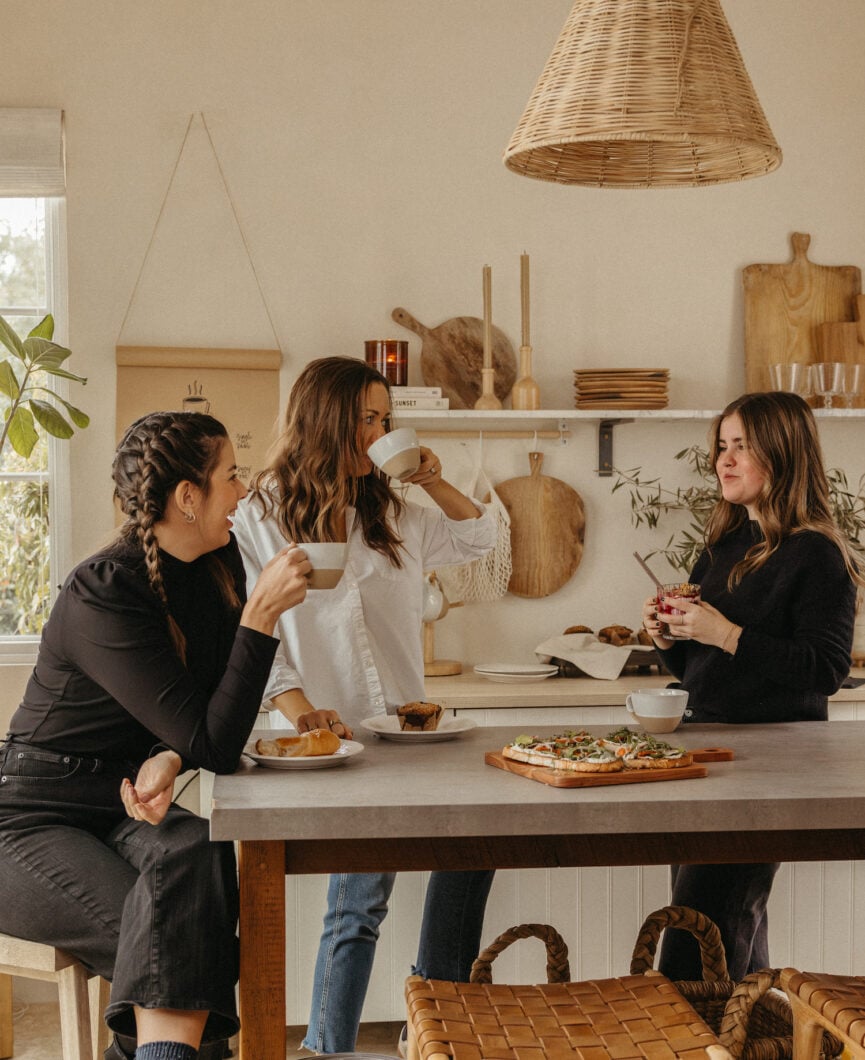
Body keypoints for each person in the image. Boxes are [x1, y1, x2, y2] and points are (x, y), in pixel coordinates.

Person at [0, 411, 310, 1060]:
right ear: (187, 496)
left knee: (199, 848)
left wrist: (167, 753)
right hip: (28, 819)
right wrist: (259, 621)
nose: (244, 491)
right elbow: (216, 744)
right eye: (231, 476)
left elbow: (206, 729)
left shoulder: (217, 566)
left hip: (123, 804)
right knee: (180, 940)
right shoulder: (104, 590)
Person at [231, 355, 497, 1054]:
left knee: (472, 851)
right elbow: (257, 634)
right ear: (327, 420)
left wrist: (433, 478)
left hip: (410, 730)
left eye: (387, 420)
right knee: (358, 903)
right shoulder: (259, 514)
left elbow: (478, 538)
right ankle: (327, 1048)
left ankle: (434, 1026)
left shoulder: (395, 511)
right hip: (334, 742)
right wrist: (299, 713)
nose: (380, 432)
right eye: (368, 420)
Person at [640, 390, 861, 982]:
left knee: (699, 931)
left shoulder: (819, 554)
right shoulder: (724, 545)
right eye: (722, 446)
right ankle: (757, 1037)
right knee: (729, 922)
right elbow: (697, 673)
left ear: (783, 455)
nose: (724, 460)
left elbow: (827, 669)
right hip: (706, 753)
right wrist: (669, 637)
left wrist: (727, 632)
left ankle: (688, 1044)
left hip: (774, 762)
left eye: (742, 446)